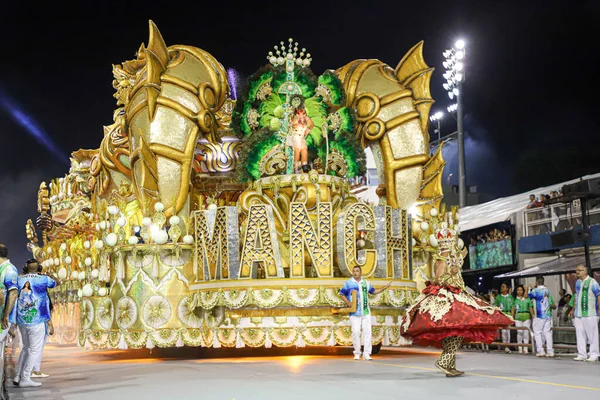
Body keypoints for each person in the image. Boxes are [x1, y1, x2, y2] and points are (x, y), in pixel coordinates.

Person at [401, 226, 512, 377]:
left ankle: (450, 365)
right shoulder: (441, 260)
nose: (448, 247)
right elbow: (437, 280)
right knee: (457, 328)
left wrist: (455, 268)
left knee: (454, 331)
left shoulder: (451, 258)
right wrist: (450, 274)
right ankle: (445, 360)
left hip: (457, 294)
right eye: (446, 245)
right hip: (447, 297)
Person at [13, 259, 59, 388]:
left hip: (22, 320)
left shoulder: (19, 279)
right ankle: (25, 377)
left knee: (26, 348)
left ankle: (18, 375)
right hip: (37, 319)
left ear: (25, 268)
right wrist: (51, 276)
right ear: (39, 268)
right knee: (34, 350)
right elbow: (57, 283)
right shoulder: (43, 279)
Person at [340, 266, 391, 361]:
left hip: (365, 311)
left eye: (357, 271)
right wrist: (348, 302)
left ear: (361, 272)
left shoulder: (366, 283)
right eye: (354, 271)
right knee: (355, 332)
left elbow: (373, 291)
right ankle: (357, 353)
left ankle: (367, 353)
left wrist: (384, 288)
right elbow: (342, 294)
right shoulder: (348, 283)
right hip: (354, 313)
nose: (355, 273)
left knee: (367, 332)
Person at [567, 265, 600, 362]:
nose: (578, 272)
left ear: (585, 272)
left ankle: (594, 354)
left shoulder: (592, 282)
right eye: (576, 270)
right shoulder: (577, 282)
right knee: (580, 334)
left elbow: (598, 295)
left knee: (592, 334)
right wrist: (573, 309)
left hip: (590, 313)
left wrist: (599, 309)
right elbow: (576, 297)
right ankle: (582, 354)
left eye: (580, 270)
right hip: (579, 313)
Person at [528, 276, 556, 357]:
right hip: (547, 314)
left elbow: (530, 295)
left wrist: (532, 288)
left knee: (537, 332)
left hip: (539, 314)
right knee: (547, 333)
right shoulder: (547, 290)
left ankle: (541, 350)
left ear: (537, 282)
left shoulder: (536, 290)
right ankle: (550, 351)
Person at [494, 282, 514, 353]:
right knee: (503, 332)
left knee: (508, 331)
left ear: (507, 288)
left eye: (503, 287)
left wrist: (512, 316)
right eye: (501, 287)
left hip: (509, 315)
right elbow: (495, 307)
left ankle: (507, 346)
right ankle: (505, 346)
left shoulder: (510, 297)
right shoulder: (498, 297)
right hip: (502, 315)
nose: (501, 288)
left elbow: (512, 307)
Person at [512, 285, 532, 354]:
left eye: (521, 290)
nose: (519, 291)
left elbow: (530, 308)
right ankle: (520, 347)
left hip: (526, 317)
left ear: (523, 291)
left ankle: (525, 347)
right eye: (518, 290)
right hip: (518, 317)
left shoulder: (527, 299)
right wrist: (512, 317)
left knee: (526, 333)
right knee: (519, 332)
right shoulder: (514, 299)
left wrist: (533, 316)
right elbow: (513, 309)